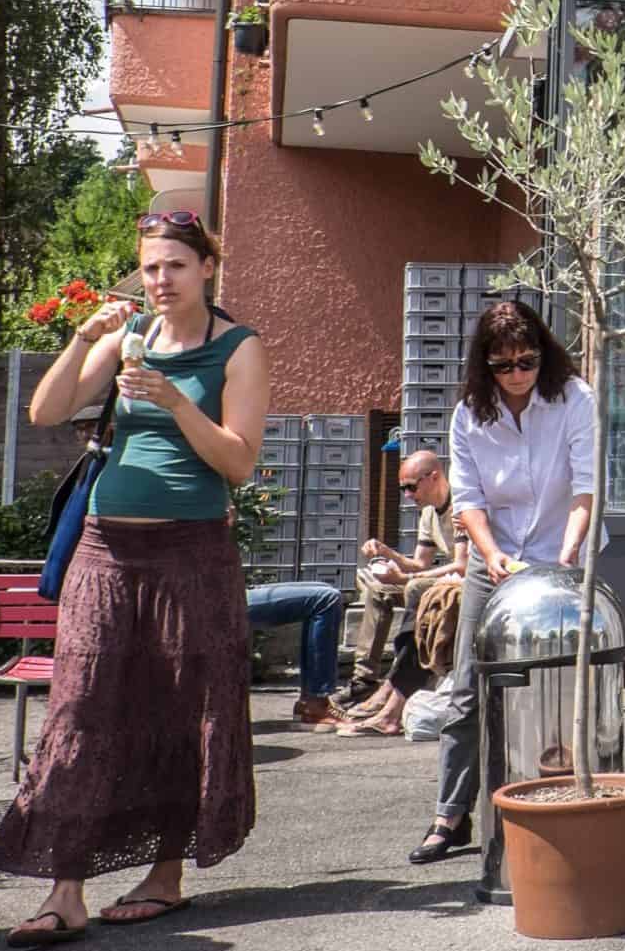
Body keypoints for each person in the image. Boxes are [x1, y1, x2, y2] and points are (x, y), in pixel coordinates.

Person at [0, 210, 270, 948]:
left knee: (183, 711)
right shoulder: (127, 336)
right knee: (80, 711)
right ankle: (66, 890)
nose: (160, 279)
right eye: (150, 267)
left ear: (207, 268)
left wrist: (177, 402)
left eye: (175, 265)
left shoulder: (237, 349)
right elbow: (47, 409)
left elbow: (239, 464)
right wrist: (87, 336)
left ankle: (164, 877)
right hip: (104, 551)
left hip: (193, 552)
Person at [414, 300, 595, 865]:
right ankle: (450, 814)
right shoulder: (471, 413)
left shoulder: (575, 399)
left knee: (562, 683)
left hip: (561, 550)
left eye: (527, 361)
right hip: (495, 556)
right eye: (504, 365)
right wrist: (488, 556)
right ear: (484, 366)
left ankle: (566, 791)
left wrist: (566, 557)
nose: (517, 374)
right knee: (468, 686)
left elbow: (587, 486)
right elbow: (466, 499)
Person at [342, 451, 468, 736]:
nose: (408, 495)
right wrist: (387, 554)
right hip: (441, 579)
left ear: (434, 477)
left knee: (418, 589)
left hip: (465, 582)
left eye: (411, 486)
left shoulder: (462, 504)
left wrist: (408, 577)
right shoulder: (428, 513)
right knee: (378, 590)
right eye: (403, 489)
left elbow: (462, 566)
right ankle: (365, 679)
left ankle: (392, 690)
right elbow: (420, 562)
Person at [244, 581, 347, 729]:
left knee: (326, 588)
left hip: (228, 590)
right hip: (218, 598)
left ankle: (309, 701)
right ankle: (315, 703)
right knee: (327, 599)